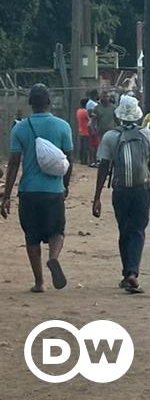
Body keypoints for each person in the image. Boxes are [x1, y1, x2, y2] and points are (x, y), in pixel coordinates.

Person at [1, 84, 73, 292]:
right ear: (49, 103)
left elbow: (14, 163)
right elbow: (68, 160)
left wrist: (6, 196)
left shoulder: (20, 128)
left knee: (31, 236)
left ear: (30, 104)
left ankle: (39, 282)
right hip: (53, 190)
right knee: (57, 230)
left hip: (29, 190)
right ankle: (53, 257)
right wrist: (65, 186)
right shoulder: (63, 126)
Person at [92, 95, 150, 294]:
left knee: (124, 230)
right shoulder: (148, 135)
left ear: (119, 116)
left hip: (120, 191)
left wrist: (97, 197)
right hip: (142, 190)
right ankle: (132, 273)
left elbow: (103, 167)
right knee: (138, 230)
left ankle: (126, 273)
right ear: (138, 116)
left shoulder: (110, 137)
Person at [91, 93, 116, 166]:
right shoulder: (97, 108)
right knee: (101, 148)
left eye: (107, 96)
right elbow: (93, 120)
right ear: (101, 97)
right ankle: (99, 162)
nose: (106, 98)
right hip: (101, 132)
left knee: (111, 148)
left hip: (112, 132)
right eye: (104, 96)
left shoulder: (113, 108)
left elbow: (116, 119)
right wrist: (93, 130)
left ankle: (111, 163)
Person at [77, 98, 91, 165]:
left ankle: (81, 160)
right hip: (86, 131)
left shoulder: (78, 111)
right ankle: (85, 161)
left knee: (82, 147)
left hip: (80, 130)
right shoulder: (85, 112)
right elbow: (89, 119)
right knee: (86, 147)